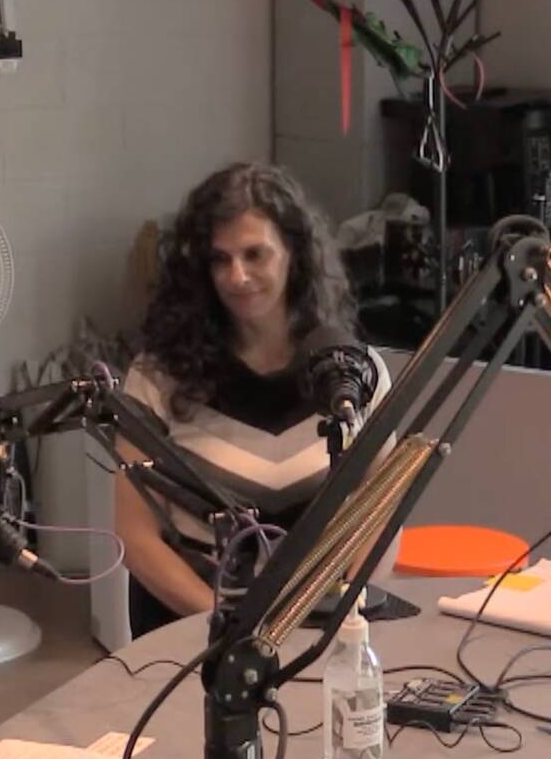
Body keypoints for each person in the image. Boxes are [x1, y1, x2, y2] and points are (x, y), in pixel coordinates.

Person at [115, 162, 390, 635]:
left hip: (320, 630)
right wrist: (230, 627)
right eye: (220, 259)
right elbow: (136, 536)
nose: (237, 277)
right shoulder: (155, 377)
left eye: (254, 254)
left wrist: (345, 612)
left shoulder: (352, 371)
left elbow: (381, 511)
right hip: (193, 630)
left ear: (294, 254)